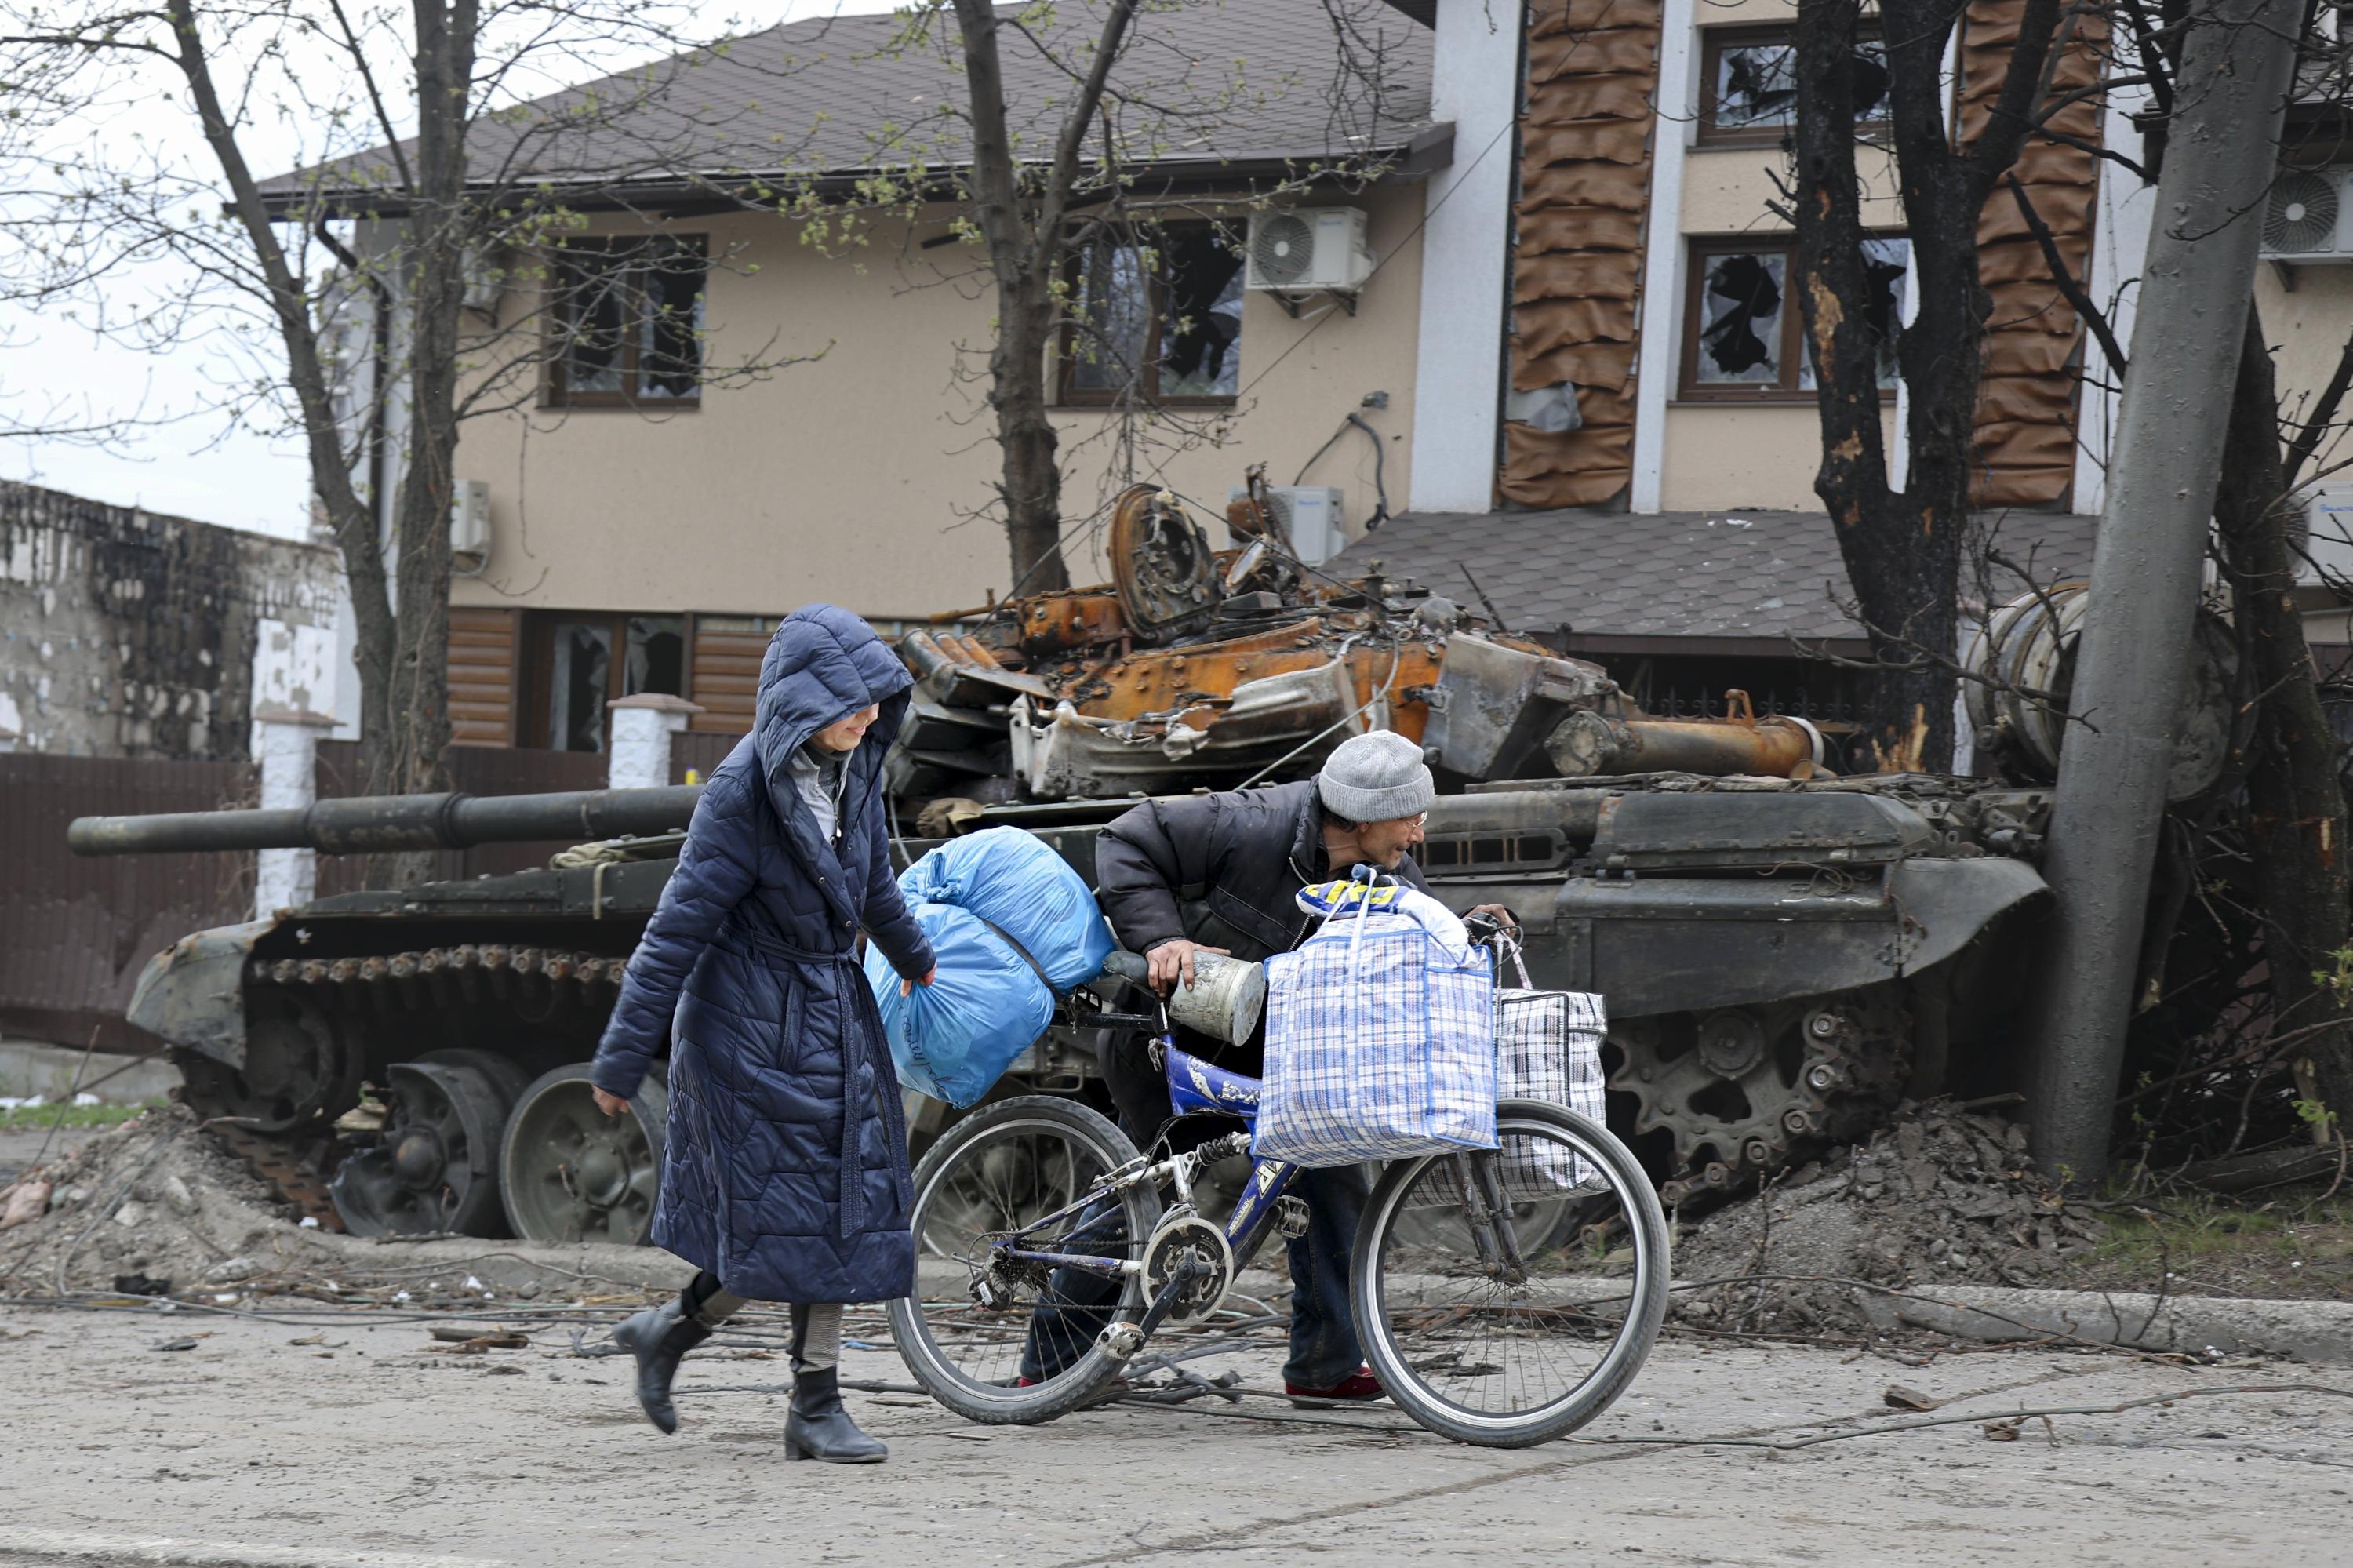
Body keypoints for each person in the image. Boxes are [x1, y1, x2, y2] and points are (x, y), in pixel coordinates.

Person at [1020, 728, 1516, 1402]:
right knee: (1154, 1193)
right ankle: (1049, 1362)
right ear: (1365, 816)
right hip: (1175, 1043)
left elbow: (1414, 929)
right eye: (1411, 818)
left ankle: (1325, 1366)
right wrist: (1161, 936)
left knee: (1335, 1177)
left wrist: (1469, 924)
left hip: (1284, 1054)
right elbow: (1128, 838)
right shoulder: (1249, 824)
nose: (1418, 835)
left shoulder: (1387, 867)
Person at [588, 605, 936, 1464]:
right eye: (850, 701)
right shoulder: (743, 792)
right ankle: (813, 1406)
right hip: (748, 1027)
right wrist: (622, 1057)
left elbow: (874, 883)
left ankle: (671, 1330)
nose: (866, 716)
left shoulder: (853, 769)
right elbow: (674, 930)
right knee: (812, 1214)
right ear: (805, 700)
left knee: (827, 1212)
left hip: (829, 1009)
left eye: (873, 700)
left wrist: (915, 955)